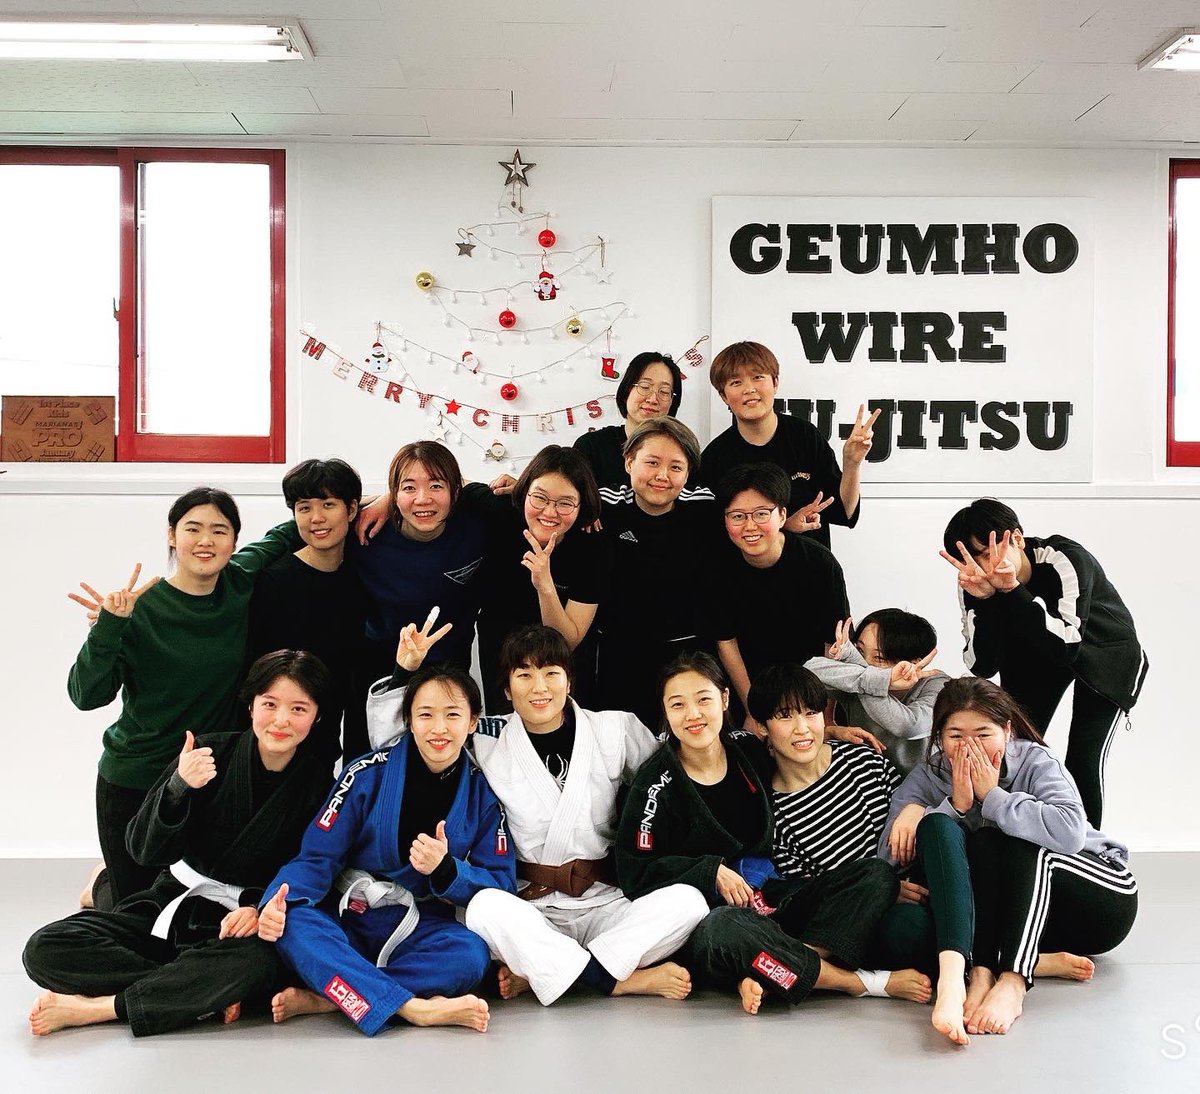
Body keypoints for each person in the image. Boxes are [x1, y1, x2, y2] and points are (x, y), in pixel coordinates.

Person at [391, 624, 709, 1007]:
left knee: (689, 901)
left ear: (569, 681)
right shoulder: (485, 737)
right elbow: (413, 742)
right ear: (506, 690)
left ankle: (544, 970)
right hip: (531, 907)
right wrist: (405, 672)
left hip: (605, 901)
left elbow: (672, 775)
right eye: (524, 675)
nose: (539, 687)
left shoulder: (615, 728)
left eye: (551, 673)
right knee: (484, 910)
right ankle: (615, 981)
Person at [25, 651, 334, 1037]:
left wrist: (259, 908)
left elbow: (313, 867)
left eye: (298, 708)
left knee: (258, 963)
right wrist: (178, 786)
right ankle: (198, 990)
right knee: (45, 948)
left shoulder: (321, 786)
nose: (281, 720)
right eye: (270, 704)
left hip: (236, 925)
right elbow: (143, 850)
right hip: (173, 905)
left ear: (317, 716)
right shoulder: (206, 755)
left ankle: (102, 1007)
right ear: (251, 705)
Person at [258, 618, 516, 1036]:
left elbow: (501, 883)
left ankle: (335, 995)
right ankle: (413, 1007)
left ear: (472, 722)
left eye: (452, 715)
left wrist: (448, 870)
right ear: (409, 720)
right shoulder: (366, 774)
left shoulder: (483, 795)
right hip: (349, 915)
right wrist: (275, 901)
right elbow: (317, 856)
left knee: (470, 956)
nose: (438, 728)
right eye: (425, 714)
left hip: (418, 924)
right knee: (294, 921)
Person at [617, 652, 899, 1015]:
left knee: (876, 874)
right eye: (678, 705)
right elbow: (634, 870)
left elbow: (785, 736)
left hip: (772, 896)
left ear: (724, 699)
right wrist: (709, 871)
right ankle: (857, 983)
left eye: (703, 699)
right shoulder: (654, 784)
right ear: (665, 711)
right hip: (715, 918)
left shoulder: (745, 748)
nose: (693, 715)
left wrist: (829, 731)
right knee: (726, 929)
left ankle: (784, 968)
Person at [67, 487, 297, 909]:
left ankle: (109, 881)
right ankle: (102, 884)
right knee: (136, 912)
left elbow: (290, 531)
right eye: (193, 529)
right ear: (172, 536)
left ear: (234, 541)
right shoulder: (140, 609)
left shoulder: (240, 580)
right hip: (138, 775)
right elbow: (86, 695)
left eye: (219, 531)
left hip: (210, 777)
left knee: (191, 905)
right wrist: (108, 628)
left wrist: (381, 501)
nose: (206, 541)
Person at [881, 678, 1138, 1046]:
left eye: (983, 734)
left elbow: (1070, 835)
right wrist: (944, 807)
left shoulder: (1035, 760)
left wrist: (993, 797)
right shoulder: (929, 776)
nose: (969, 747)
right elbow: (889, 858)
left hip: (1095, 898)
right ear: (939, 737)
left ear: (1006, 730)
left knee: (1020, 842)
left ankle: (1014, 980)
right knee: (906, 924)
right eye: (955, 736)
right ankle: (991, 969)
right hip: (1021, 920)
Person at [940, 498, 1148, 826]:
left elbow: (1067, 646)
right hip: (1035, 655)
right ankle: (1018, 835)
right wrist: (987, 600)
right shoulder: (973, 581)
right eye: (970, 558)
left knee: (1083, 758)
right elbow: (981, 665)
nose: (983, 566)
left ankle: (1088, 847)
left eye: (988, 552)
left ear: (1017, 539)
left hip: (1102, 652)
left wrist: (1012, 589)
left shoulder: (1063, 559)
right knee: (1013, 750)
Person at [749, 662, 932, 1003]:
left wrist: (915, 807)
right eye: (785, 717)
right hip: (852, 918)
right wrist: (883, 890)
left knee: (912, 922)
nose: (802, 728)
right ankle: (813, 968)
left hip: (910, 892)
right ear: (762, 726)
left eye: (811, 713)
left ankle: (798, 966)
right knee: (902, 924)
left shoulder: (862, 761)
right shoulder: (772, 813)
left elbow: (911, 824)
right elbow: (819, 895)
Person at [348, 441, 492, 759]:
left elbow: (530, 501)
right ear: (394, 492)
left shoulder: (477, 527)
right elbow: (308, 526)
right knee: (369, 766)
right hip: (378, 672)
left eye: (436, 486)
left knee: (445, 764)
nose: (423, 499)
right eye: (408, 488)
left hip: (448, 671)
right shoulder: (364, 529)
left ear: (455, 491)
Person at [594, 417, 722, 726]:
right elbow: (554, 495)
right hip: (620, 656)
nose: (662, 476)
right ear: (629, 462)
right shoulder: (601, 506)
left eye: (676, 467)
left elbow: (751, 516)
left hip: (689, 659)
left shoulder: (704, 510)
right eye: (652, 462)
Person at [700, 340, 877, 551]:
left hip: (808, 563)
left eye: (758, 377)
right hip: (743, 569)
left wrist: (852, 464)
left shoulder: (805, 437)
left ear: (775, 383)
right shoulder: (715, 457)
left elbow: (843, 511)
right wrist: (784, 527)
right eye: (736, 382)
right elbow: (711, 533)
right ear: (723, 396)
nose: (749, 389)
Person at [712, 463, 849, 732]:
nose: (750, 526)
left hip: (812, 687)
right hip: (749, 687)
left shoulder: (819, 563)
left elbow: (835, 644)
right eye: (737, 516)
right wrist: (753, 710)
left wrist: (823, 714)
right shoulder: (717, 569)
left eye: (762, 514)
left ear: (783, 514)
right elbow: (726, 642)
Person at [475, 445, 612, 715]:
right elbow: (451, 486)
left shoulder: (592, 546)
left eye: (565, 503)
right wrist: (388, 502)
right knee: (506, 729)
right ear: (523, 491)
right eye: (540, 498)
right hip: (501, 654)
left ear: (581, 506)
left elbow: (568, 640)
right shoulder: (500, 510)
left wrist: (545, 586)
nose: (550, 512)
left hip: (563, 665)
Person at [248, 458, 367, 764]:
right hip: (281, 735)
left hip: (330, 737)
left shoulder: (359, 574)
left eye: (328, 505)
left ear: (351, 510)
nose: (316, 518)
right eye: (304, 508)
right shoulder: (276, 581)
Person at [804, 609, 947, 777]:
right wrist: (882, 679)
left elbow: (908, 726)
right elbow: (809, 672)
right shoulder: (858, 679)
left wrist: (866, 675)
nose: (865, 663)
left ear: (915, 663)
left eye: (879, 658)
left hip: (928, 787)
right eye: (859, 651)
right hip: (872, 782)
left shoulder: (939, 685)